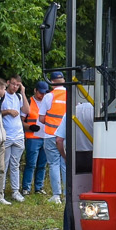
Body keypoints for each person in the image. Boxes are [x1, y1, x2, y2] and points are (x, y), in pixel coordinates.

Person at [40, 75, 69, 204]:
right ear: (63, 81)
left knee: (53, 164)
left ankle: (56, 195)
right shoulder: (70, 94)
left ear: (51, 82)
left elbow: (41, 118)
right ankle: (67, 194)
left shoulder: (49, 96)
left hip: (51, 135)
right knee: (65, 164)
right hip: (66, 135)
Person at [0, 75, 26, 202]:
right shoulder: (2, 95)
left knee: (15, 165)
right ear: (8, 83)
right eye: (13, 84)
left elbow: (26, 110)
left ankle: (15, 191)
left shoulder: (19, 96)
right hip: (6, 135)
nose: (15, 87)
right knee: (3, 165)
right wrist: (8, 111)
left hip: (19, 135)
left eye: (17, 85)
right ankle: (1, 192)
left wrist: (23, 93)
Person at [22, 80, 49, 195]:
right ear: (35, 90)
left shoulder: (47, 103)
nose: (42, 95)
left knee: (42, 164)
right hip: (32, 137)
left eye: (44, 93)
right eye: (40, 92)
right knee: (31, 164)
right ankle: (26, 188)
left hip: (45, 137)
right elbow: (21, 121)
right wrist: (30, 127)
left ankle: (39, 187)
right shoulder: (29, 102)